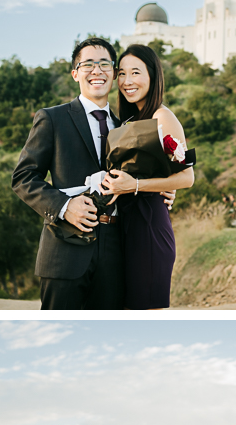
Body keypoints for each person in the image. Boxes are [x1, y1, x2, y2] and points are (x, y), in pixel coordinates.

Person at [11, 37, 175, 310]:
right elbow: (23, 177)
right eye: (88, 64)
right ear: (75, 73)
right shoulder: (52, 118)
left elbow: (141, 180)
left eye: (105, 64)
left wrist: (161, 188)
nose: (96, 71)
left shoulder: (129, 126)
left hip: (117, 255)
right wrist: (64, 206)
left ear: (113, 74)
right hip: (64, 251)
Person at [101, 45, 195, 310]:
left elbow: (187, 176)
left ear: (153, 76)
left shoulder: (163, 117)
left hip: (149, 229)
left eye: (135, 73)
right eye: (122, 73)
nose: (127, 81)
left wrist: (138, 185)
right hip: (126, 228)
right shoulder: (127, 120)